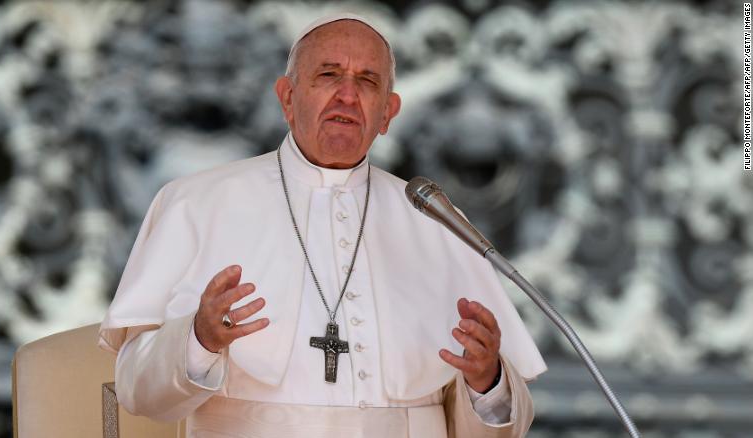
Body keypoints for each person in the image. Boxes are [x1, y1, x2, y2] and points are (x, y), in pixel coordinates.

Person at [99, 12, 546, 438]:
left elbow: (509, 421)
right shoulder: (195, 203)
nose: (348, 95)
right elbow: (137, 391)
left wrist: (487, 379)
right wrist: (198, 340)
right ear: (288, 98)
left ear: (388, 112)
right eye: (329, 75)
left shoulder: (437, 219)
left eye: (367, 81)